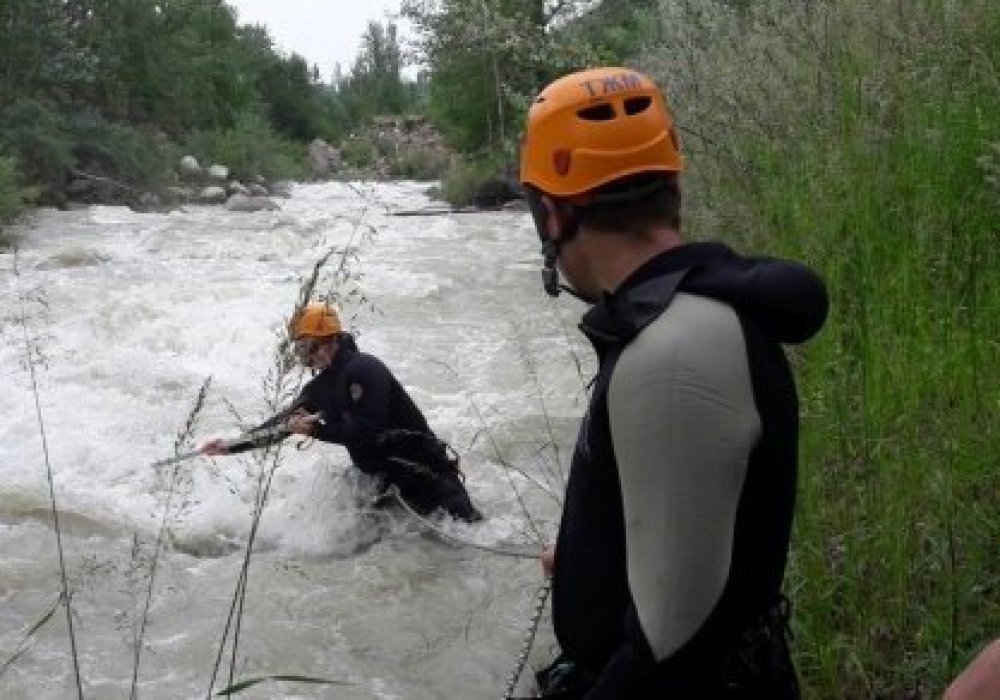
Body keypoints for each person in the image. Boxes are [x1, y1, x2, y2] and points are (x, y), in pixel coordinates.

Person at [519, 67, 829, 697]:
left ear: (552, 214)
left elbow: (672, 651)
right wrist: (589, 561)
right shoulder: (672, 323)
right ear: (670, 187)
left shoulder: (673, 353)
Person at [200, 302, 482, 523]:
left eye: (307, 346)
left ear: (328, 339)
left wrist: (315, 430)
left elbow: (367, 432)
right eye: (298, 350)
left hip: (431, 481)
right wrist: (231, 445)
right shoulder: (319, 388)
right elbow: (281, 425)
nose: (305, 357)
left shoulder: (365, 369)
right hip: (388, 486)